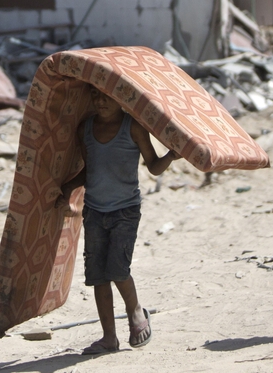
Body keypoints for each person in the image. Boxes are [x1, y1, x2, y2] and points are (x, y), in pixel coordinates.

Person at [56, 86, 181, 355]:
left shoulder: (133, 126)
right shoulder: (85, 129)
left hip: (125, 210)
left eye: (107, 96)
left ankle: (135, 311)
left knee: (118, 269)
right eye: (96, 96)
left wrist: (170, 155)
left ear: (120, 99)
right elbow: (88, 171)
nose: (101, 102)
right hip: (94, 211)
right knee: (98, 276)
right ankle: (109, 337)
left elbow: (153, 166)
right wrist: (66, 188)